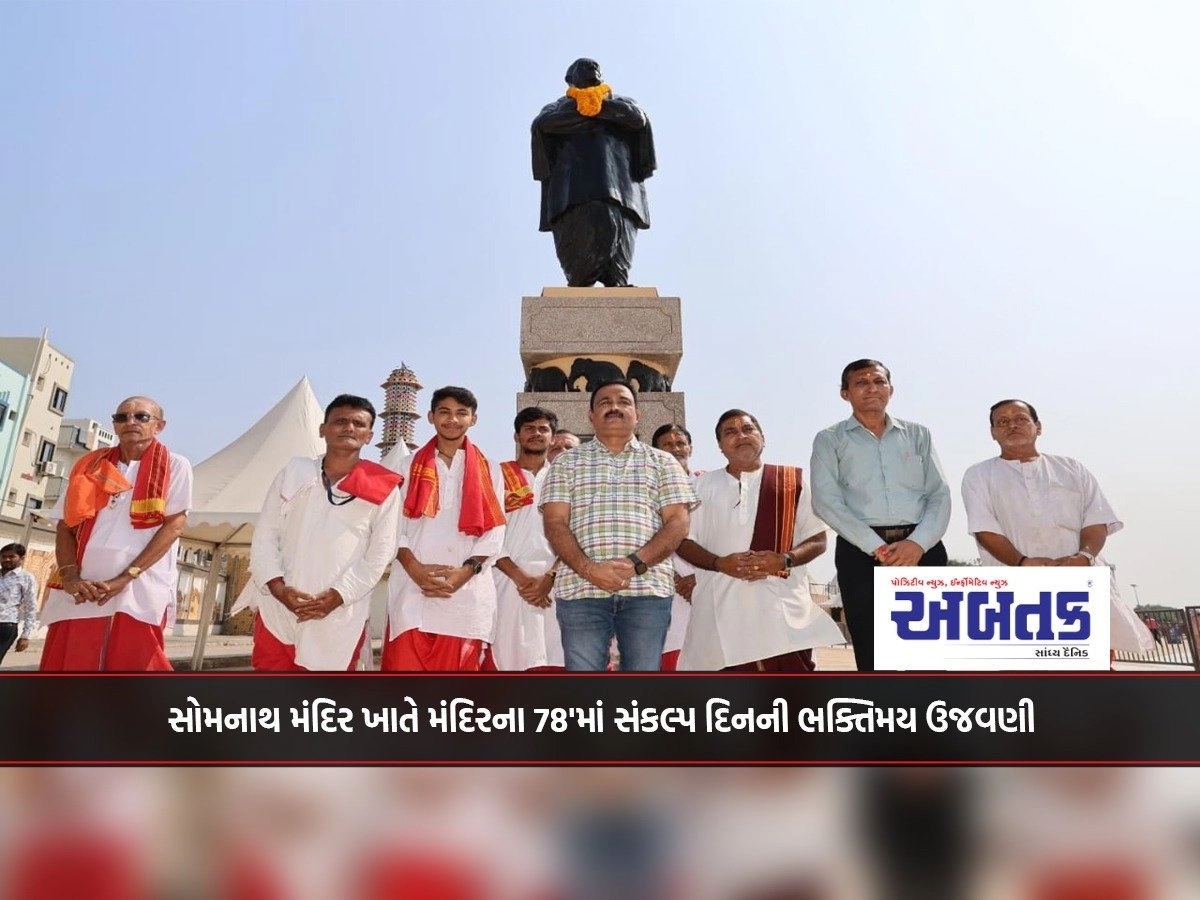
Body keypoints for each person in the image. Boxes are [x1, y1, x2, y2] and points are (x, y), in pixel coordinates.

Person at [960, 398, 1150, 653]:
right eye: (1002, 422)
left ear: (1038, 426)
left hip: (1079, 578)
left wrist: (1083, 557)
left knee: (1096, 666)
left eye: (1020, 419)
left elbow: (1097, 519)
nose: (1012, 426)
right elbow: (984, 529)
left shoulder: (1071, 468)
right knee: (1028, 674)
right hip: (1016, 585)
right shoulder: (978, 475)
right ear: (993, 433)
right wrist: (1022, 563)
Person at [540, 380, 697, 671]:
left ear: (637, 414)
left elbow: (678, 523)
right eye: (604, 402)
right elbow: (555, 523)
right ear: (590, 416)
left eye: (623, 402)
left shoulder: (663, 462)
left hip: (646, 590)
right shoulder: (565, 463)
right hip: (581, 590)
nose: (614, 407)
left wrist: (635, 563)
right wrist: (589, 569)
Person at [244, 394, 403, 671]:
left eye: (358, 424)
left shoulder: (383, 486)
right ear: (322, 428)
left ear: (369, 436)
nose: (349, 428)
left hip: (339, 611)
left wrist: (337, 596)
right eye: (340, 421)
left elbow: (380, 554)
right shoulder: (294, 472)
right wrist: (280, 590)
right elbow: (265, 536)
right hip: (279, 606)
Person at [810, 360, 950, 672]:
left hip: (921, 550)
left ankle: (933, 715)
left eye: (878, 381)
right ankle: (882, 715)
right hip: (861, 553)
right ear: (845, 393)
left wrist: (918, 544)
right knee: (873, 649)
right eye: (861, 383)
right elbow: (826, 501)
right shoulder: (829, 439)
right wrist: (877, 547)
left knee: (931, 649)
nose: (871, 388)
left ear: (890, 389)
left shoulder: (918, 435)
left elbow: (939, 494)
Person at [677, 411, 843, 671]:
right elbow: (681, 541)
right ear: (720, 445)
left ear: (762, 438)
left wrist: (784, 559)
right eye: (730, 432)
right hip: (721, 611)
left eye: (747, 429)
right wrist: (719, 563)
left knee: (791, 700)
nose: (741, 435)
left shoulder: (791, 481)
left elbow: (818, 538)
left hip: (782, 611)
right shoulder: (699, 486)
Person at [39, 396, 192, 670]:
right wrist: (72, 577)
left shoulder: (175, 465)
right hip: (81, 587)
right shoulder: (89, 465)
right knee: (69, 666)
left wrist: (125, 577)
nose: (130, 422)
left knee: (133, 670)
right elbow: (65, 525)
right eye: (122, 417)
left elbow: (174, 525)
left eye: (141, 417)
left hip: (136, 587)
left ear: (159, 425)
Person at [383, 387, 506, 671]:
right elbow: (391, 528)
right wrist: (415, 570)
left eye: (461, 413)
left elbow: (495, 531)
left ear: (473, 419)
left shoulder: (491, 470)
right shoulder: (406, 466)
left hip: (466, 594)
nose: (453, 419)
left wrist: (465, 573)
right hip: (412, 592)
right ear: (430, 416)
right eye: (444, 412)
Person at [531, 58, 656, 287]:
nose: (592, 68)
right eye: (584, 67)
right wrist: (592, 113)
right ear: (570, 79)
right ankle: (579, 286)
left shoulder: (620, 102)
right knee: (582, 240)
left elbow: (637, 119)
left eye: (594, 67)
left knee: (620, 245)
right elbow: (543, 125)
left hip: (620, 189)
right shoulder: (558, 106)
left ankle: (617, 284)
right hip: (574, 191)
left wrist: (597, 107)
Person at [490, 407, 565, 671]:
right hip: (507, 583)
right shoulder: (495, 475)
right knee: (507, 662)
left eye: (543, 429)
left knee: (554, 660)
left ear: (553, 438)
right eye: (529, 428)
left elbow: (575, 535)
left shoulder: (564, 479)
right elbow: (487, 532)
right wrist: (522, 579)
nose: (536, 433)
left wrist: (550, 577)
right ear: (516, 436)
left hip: (556, 585)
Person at [650, 423, 700, 671]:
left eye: (680, 443)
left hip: (708, 581)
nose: (675, 449)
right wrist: (679, 577)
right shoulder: (645, 490)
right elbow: (643, 538)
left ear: (690, 447)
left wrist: (698, 576)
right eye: (667, 445)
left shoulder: (708, 484)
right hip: (665, 585)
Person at [0, 543, 38, 664]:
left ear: (21, 558)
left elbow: (30, 607)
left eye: (11, 556)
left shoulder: (26, 578)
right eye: (3, 556)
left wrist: (25, 635)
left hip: (5, 626)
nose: (6, 559)